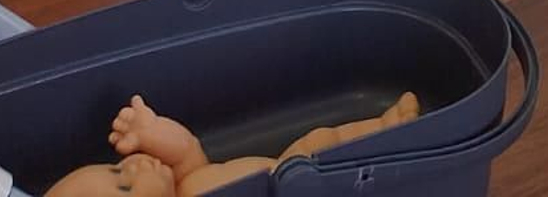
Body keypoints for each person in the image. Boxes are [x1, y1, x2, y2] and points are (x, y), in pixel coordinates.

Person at [45, 89, 420, 196]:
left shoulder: (185, 183)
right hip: (302, 189)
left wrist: (153, 130)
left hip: (291, 167)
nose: (131, 166)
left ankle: (385, 128)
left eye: (114, 168)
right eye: (125, 188)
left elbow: (189, 150)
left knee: (323, 140)